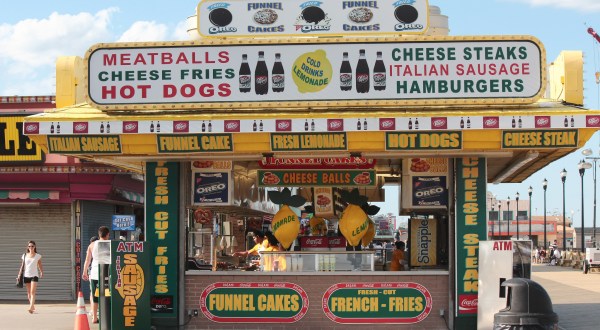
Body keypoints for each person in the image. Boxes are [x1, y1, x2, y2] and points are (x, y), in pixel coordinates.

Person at [82, 226, 110, 324]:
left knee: (95, 297)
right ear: (107, 234)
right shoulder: (111, 244)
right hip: (108, 274)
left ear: (99, 234)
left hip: (95, 274)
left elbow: (87, 260)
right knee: (108, 295)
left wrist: (84, 272)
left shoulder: (92, 245)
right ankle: (108, 316)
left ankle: (94, 317)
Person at [20, 240, 43, 313]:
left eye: (32, 246)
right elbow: (22, 266)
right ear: (27, 247)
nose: (31, 247)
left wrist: (41, 272)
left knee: (32, 292)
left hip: (34, 275)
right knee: (29, 293)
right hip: (26, 275)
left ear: (35, 247)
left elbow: (40, 265)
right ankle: (32, 306)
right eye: (29, 246)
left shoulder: (38, 256)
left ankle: (30, 307)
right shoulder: (24, 255)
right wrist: (19, 274)